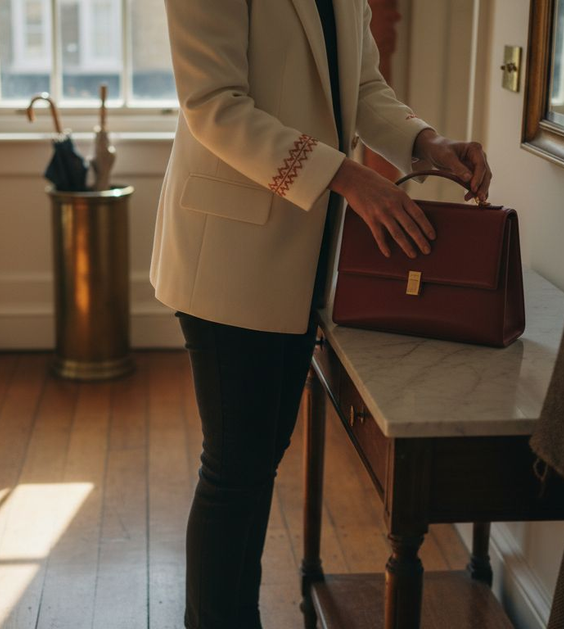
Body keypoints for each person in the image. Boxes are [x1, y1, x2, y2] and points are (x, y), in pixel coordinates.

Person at [148, 0, 493, 626]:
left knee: (254, 466)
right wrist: (348, 179)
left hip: (303, 254)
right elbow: (214, 106)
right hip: (228, 252)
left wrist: (426, 142)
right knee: (234, 471)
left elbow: (361, 87)